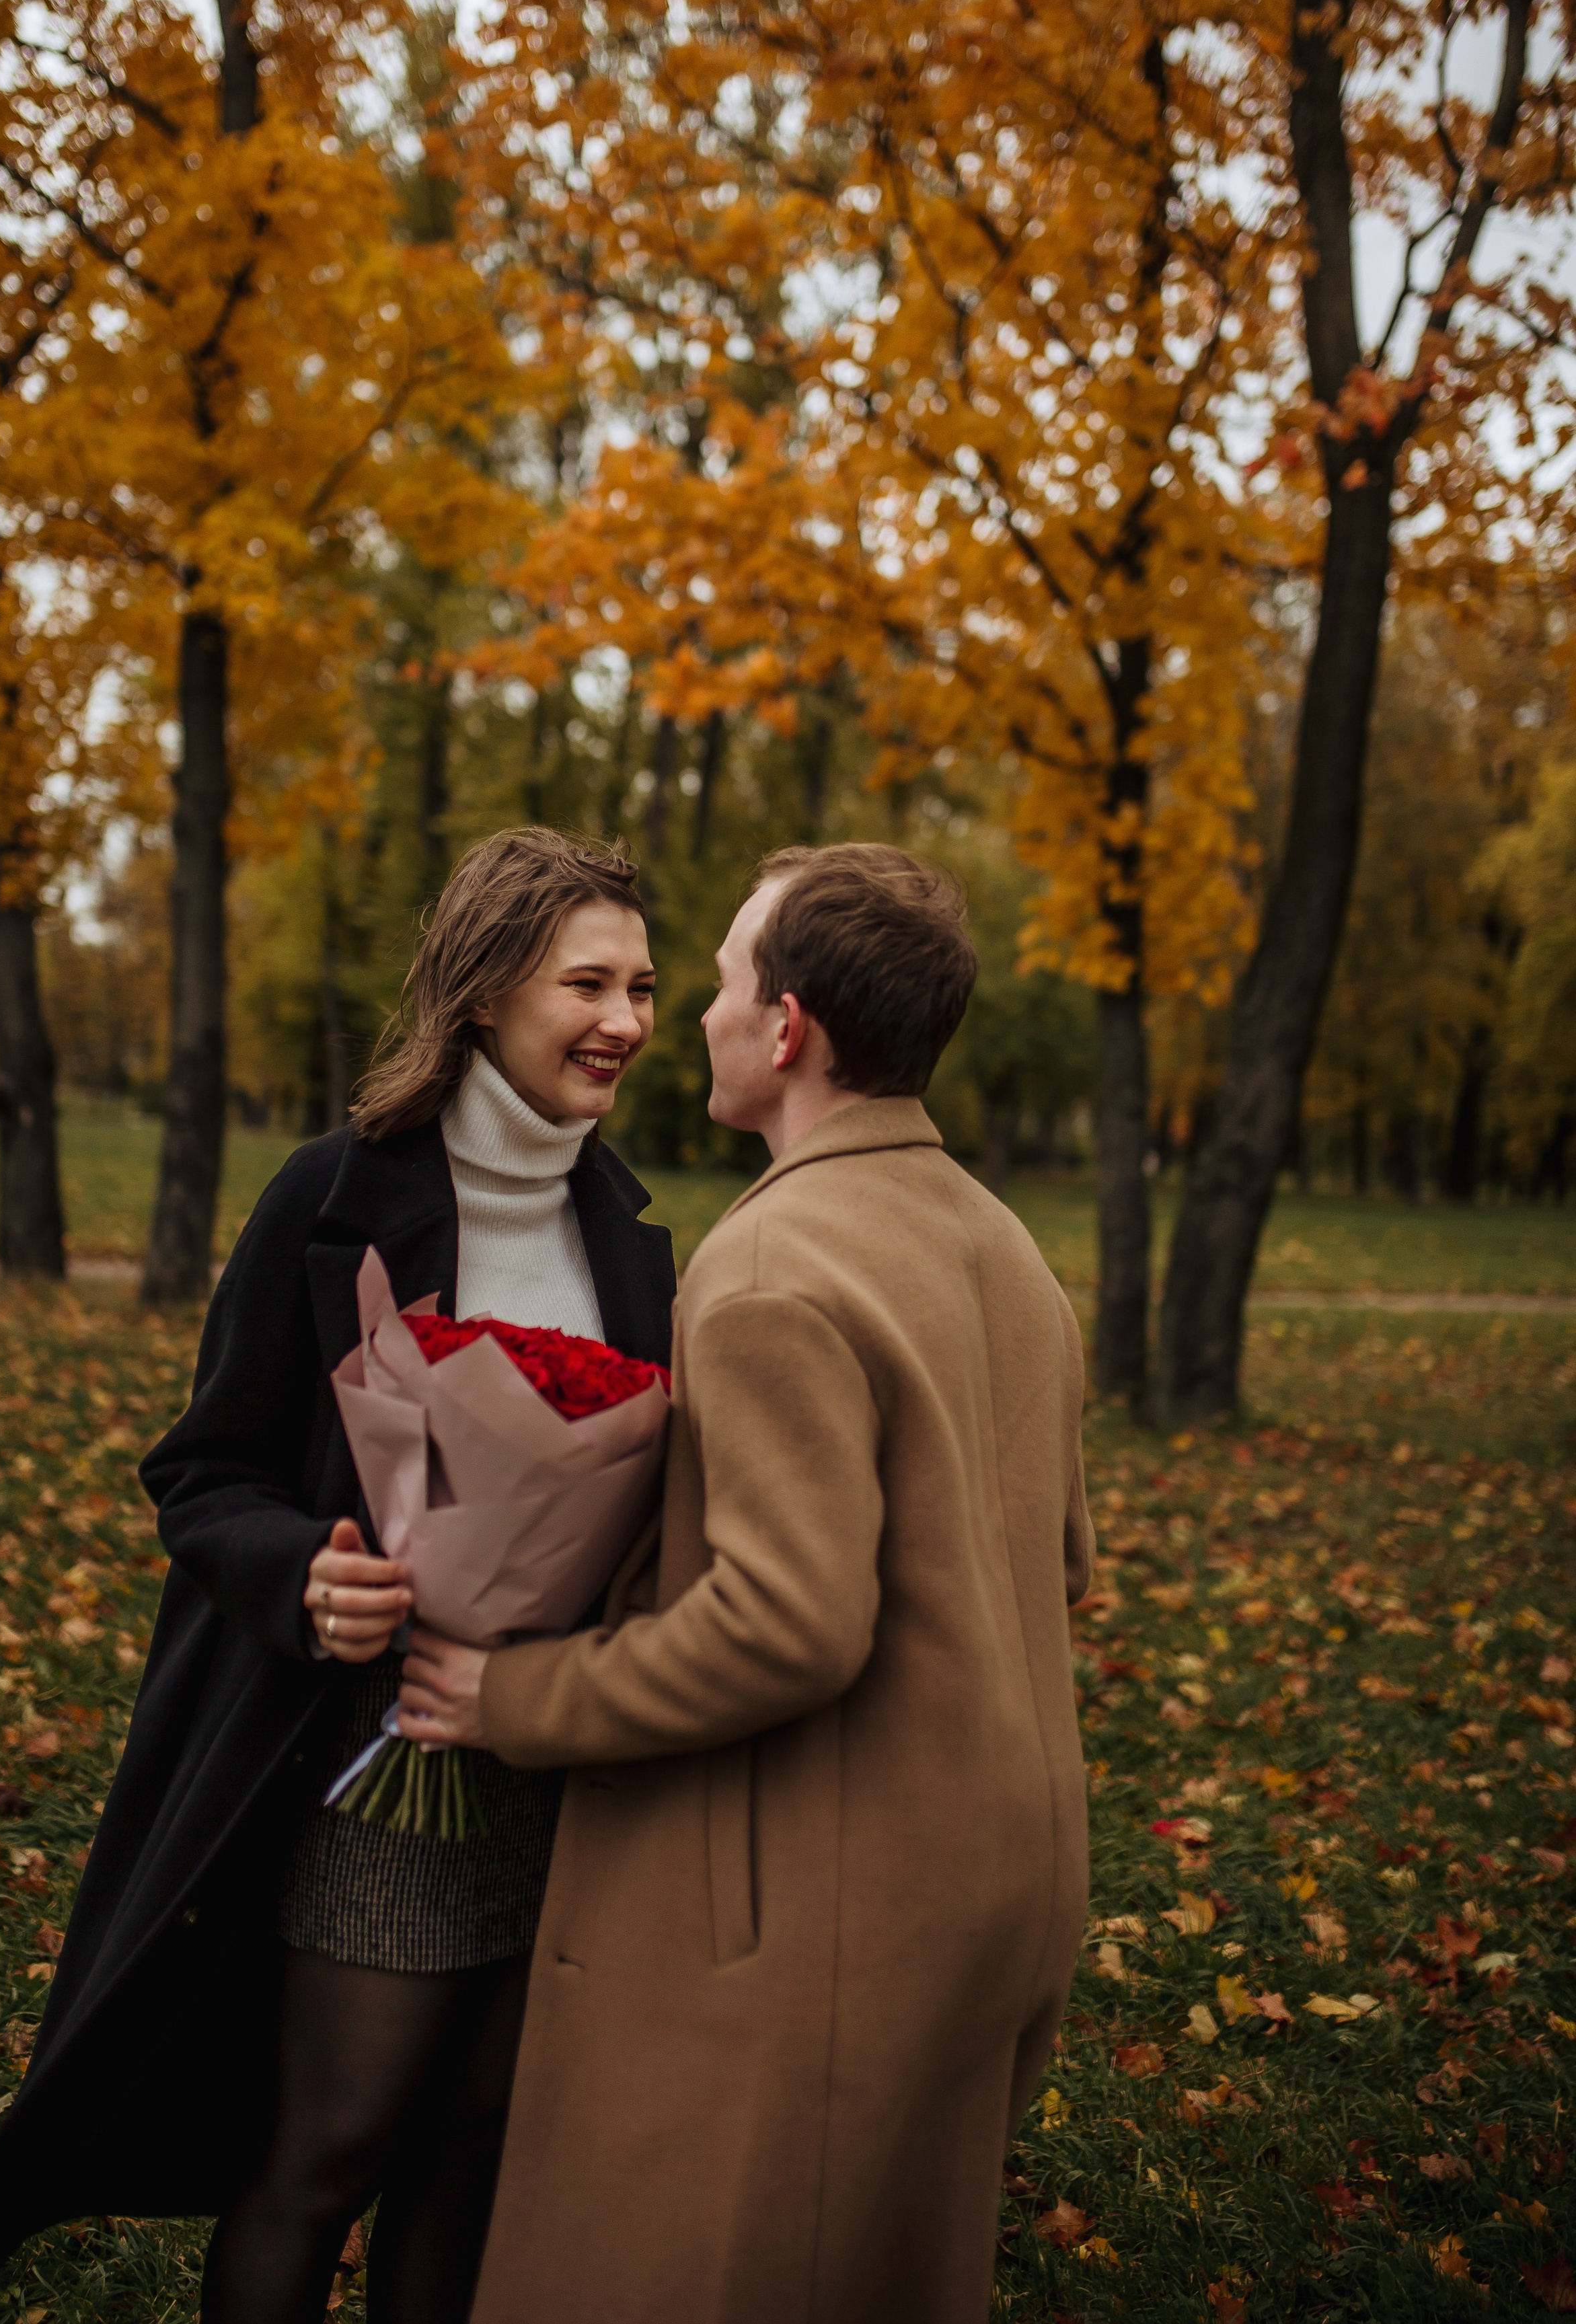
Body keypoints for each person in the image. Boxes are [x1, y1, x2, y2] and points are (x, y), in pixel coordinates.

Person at [0, 827, 675, 2324]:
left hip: (559, 1770)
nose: (626, 1020)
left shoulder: (629, 1240)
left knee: (470, 2156)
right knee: (327, 2155)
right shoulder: (330, 1194)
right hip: (365, 1768)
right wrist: (306, 1572)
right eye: (589, 982)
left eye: (642, 985)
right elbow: (201, 1474)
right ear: (486, 985)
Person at [403, 841, 1096, 2324]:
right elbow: (1060, 1558)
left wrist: (515, 1690)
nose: (689, 1014)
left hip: (836, 1902)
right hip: (1009, 1878)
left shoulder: (771, 1262)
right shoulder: (1006, 1247)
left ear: (786, 1030)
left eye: (714, 981)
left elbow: (787, 1622)